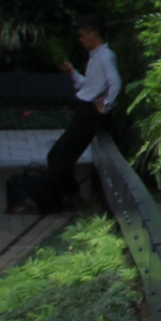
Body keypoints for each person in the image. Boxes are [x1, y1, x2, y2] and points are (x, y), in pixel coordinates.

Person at [44, 14, 123, 206]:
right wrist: (73, 74)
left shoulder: (105, 56)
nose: (80, 40)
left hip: (89, 114)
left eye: (82, 35)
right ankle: (72, 195)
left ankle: (48, 198)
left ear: (93, 34)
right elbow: (90, 86)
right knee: (58, 155)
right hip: (85, 110)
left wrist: (106, 105)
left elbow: (115, 82)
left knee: (60, 155)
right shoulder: (97, 57)